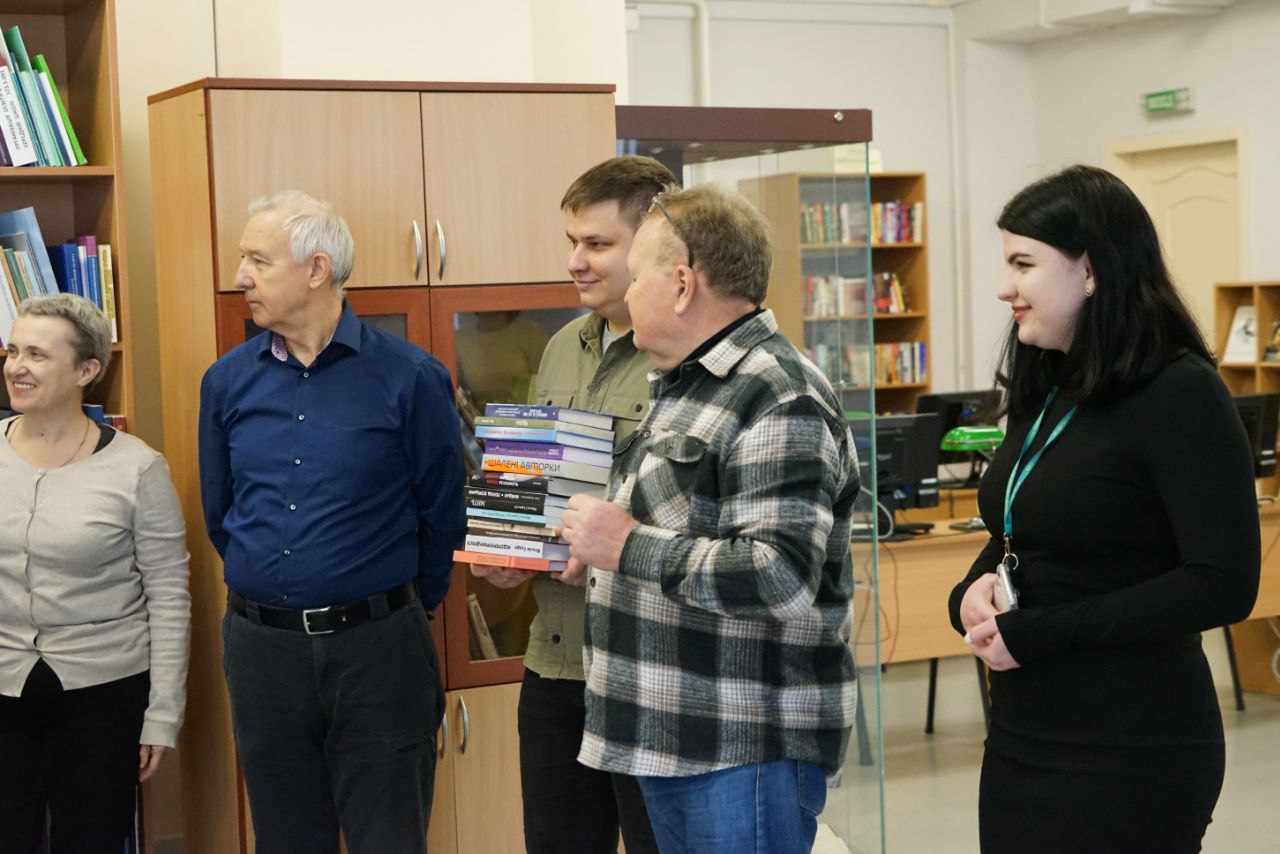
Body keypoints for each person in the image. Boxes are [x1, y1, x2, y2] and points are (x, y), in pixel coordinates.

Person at [948, 165, 1260, 854]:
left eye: (1023, 264)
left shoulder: (1180, 392)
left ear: (1089, 270)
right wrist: (971, 589)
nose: (1005, 288)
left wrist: (1042, 632)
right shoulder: (1047, 378)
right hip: (1024, 735)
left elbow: (1223, 583)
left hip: (1133, 747)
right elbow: (1021, 528)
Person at [558, 184, 860, 853]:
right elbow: (679, 528)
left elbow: (777, 574)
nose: (627, 294)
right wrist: (599, 554)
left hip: (741, 751)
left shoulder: (778, 394)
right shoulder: (686, 385)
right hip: (671, 740)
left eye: (637, 276)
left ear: (682, 284)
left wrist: (626, 547)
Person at [198, 190, 465, 853]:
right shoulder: (226, 382)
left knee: (389, 839)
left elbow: (443, 513)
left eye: (258, 260)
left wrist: (399, 609)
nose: (241, 277)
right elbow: (220, 514)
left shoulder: (411, 377)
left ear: (316, 269)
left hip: (379, 651)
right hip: (262, 653)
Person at [471, 155, 672, 854]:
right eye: (571, 241)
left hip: (642, 674)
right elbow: (533, 484)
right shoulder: (560, 345)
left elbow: (685, 519)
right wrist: (508, 548)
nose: (575, 261)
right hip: (552, 662)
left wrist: (607, 551)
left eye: (597, 243)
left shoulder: (680, 356)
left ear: (651, 245)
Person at [0, 293, 190, 852]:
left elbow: (169, 598)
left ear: (87, 370)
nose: (16, 367)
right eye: (13, 351)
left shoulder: (137, 467)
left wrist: (162, 714)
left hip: (105, 697)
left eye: (37, 354)